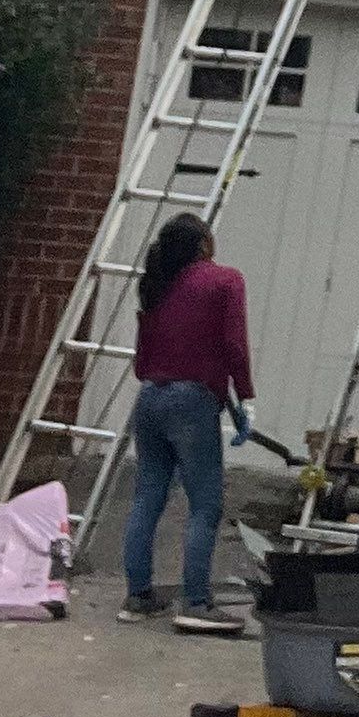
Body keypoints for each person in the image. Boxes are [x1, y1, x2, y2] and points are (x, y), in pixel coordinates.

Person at [119, 214, 254, 633]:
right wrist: (244, 395)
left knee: (147, 499)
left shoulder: (158, 283)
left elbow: (145, 355)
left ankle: (138, 597)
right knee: (205, 504)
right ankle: (196, 603)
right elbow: (233, 344)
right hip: (192, 403)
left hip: (151, 397)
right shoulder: (225, 281)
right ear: (204, 243)